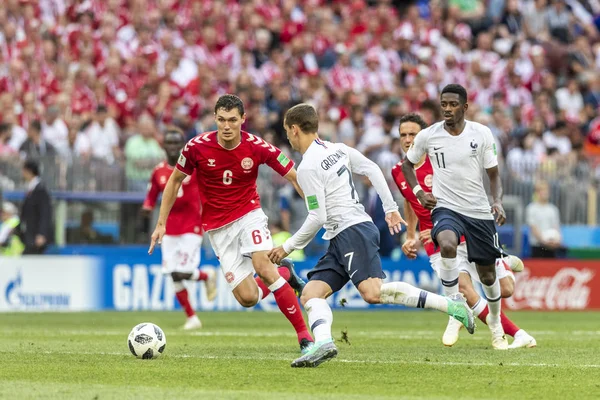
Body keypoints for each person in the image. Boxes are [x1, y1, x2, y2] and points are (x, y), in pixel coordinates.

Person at [268, 103, 475, 368]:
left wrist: (286, 247)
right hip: (341, 235)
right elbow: (373, 169)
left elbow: (316, 216)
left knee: (372, 293)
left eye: (287, 131)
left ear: (294, 129)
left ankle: (452, 305)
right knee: (311, 293)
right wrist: (389, 208)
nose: (288, 137)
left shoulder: (308, 166)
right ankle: (323, 343)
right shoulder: (337, 148)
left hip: (351, 231)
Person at [149, 94, 314, 352]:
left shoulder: (257, 146)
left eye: (233, 120)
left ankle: (305, 336)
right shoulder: (196, 147)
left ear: (243, 120)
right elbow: (174, 181)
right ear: (214, 118)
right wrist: (161, 224)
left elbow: (294, 175)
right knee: (248, 298)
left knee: (263, 267)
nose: (227, 126)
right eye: (222, 120)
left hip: (249, 214)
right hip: (217, 229)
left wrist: (315, 208)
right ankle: (286, 273)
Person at [394, 113, 536, 349]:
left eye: (413, 134)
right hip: (440, 241)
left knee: (506, 289)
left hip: (466, 228)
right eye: (403, 135)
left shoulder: (440, 159)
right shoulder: (399, 171)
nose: (408, 139)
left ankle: (502, 258)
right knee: (464, 289)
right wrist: (412, 234)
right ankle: (510, 332)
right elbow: (410, 201)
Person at [402, 84, 509, 350]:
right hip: (446, 207)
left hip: (478, 211)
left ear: (465, 107)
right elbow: (407, 164)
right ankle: (455, 308)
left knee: (487, 277)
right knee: (447, 243)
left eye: (452, 104)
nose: (447, 109)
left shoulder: (481, 133)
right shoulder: (429, 135)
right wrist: (418, 191)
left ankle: (496, 326)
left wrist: (497, 201)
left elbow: (493, 174)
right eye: (443, 105)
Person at [142, 127, 217, 329]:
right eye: (170, 143)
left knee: (182, 271)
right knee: (172, 273)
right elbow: (151, 195)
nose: (174, 147)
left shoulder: (194, 168)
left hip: (191, 227)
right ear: (164, 146)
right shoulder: (158, 171)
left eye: (177, 143)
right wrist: (147, 207)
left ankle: (207, 275)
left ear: (183, 146)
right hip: (168, 229)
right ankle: (192, 317)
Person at [525, 181, 564, 258]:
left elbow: (556, 227)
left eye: (547, 190)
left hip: (552, 247)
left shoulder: (553, 209)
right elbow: (533, 227)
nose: (545, 193)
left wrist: (558, 240)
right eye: (542, 190)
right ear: (537, 192)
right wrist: (544, 241)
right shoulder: (531, 208)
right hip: (537, 247)